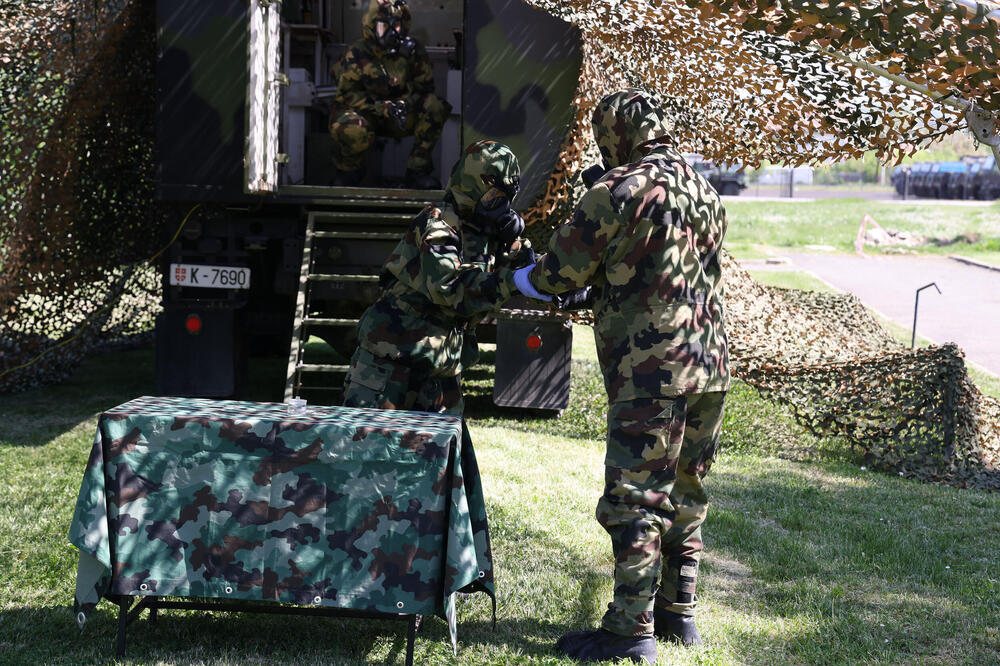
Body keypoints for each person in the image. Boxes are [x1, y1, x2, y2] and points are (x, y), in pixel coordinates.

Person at [510, 89, 730, 664]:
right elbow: (654, 264)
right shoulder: (703, 187)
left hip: (650, 370)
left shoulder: (616, 190)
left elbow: (557, 271)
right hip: (709, 365)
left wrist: (515, 280)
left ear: (614, 134)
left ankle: (629, 631)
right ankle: (678, 615)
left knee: (636, 499)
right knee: (686, 491)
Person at [342, 139, 530, 415]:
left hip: (442, 367)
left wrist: (533, 265)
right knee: (367, 452)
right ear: (473, 185)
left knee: (443, 456)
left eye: (504, 198)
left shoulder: (489, 232)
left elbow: (528, 265)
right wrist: (516, 281)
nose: (499, 206)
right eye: (494, 196)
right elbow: (451, 288)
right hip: (391, 362)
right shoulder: (438, 223)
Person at [329, 0, 451, 189]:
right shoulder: (357, 52)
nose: (391, 31)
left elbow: (424, 89)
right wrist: (381, 107)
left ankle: (417, 172)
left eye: (396, 25)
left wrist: (404, 104)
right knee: (350, 127)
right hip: (366, 115)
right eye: (383, 26)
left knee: (435, 107)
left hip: (399, 117)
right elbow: (346, 96)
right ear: (371, 26)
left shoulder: (412, 51)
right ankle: (349, 172)